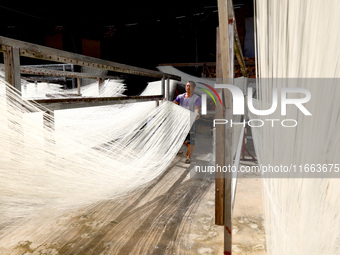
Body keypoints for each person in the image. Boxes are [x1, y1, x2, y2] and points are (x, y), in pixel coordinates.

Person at [173, 81, 201, 164]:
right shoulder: (180, 96)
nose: (188, 87)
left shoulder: (196, 98)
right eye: (187, 86)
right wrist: (166, 102)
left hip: (191, 121)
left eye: (190, 86)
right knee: (179, 138)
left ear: (194, 88)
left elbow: (197, 108)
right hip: (181, 120)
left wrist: (196, 113)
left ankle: (189, 156)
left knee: (190, 139)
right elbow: (174, 104)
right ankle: (188, 150)